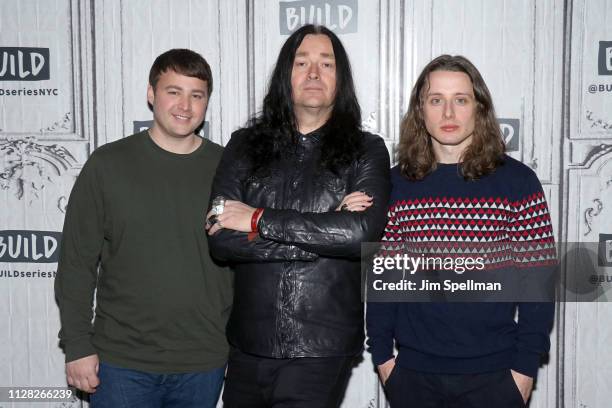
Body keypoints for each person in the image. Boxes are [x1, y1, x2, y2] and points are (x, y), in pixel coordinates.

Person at [205, 24, 390, 408]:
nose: (313, 73)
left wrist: (256, 219)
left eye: (326, 64)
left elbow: (358, 235)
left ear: (341, 80)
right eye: (302, 62)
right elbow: (220, 239)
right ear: (284, 75)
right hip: (248, 342)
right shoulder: (244, 144)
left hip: (322, 344)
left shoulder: (366, 150)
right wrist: (323, 233)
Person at [366, 55, 556, 408]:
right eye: (436, 100)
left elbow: (538, 282)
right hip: (411, 376)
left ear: (478, 108)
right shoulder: (395, 184)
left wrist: (524, 371)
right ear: (420, 110)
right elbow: (386, 277)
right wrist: (383, 359)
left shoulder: (518, 182)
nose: (448, 114)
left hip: (497, 377)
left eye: (461, 100)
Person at [54, 48, 232, 408]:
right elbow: (76, 262)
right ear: (151, 94)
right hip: (120, 362)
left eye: (196, 95)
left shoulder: (229, 169)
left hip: (203, 360)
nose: (185, 105)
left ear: (206, 102)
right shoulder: (107, 165)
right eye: (173, 91)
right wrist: (76, 346)